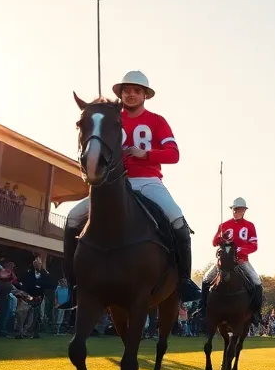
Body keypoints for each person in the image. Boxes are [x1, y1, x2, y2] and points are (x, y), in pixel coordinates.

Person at [62, 70, 199, 308]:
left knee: (178, 221)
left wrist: (145, 153)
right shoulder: (109, 117)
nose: (132, 95)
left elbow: (173, 154)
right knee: (73, 218)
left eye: (137, 91)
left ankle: (184, 282)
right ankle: (74, 285)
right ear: (121, 94)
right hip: (114, 184)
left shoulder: (157, 121)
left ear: (145, 95)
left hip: (148, 182)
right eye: (127, 90)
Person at [199, 197, 263, 320]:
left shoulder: (249, 226)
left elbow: (254, 246)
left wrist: (240, 250)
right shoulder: (224, 225)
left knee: (256, 281)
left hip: (241, 261)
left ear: (244, 210)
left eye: (239, 209)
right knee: (206, 278)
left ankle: (256, 312)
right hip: (224, 261)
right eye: (234, 209)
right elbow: (214, 242)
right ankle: (203, 307)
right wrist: (220, 237)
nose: (236, 211)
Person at [19, 256, 51, 338]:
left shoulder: (45, 274)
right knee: (25, 314)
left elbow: (49, 284)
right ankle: (21, 332)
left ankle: (35, 332)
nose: (37, 265)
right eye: (36, 263)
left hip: (40, 297)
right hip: (28, 296)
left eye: (39, 263)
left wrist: (40, 285)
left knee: (38, 315)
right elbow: (24, 283)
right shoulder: (28, 274)